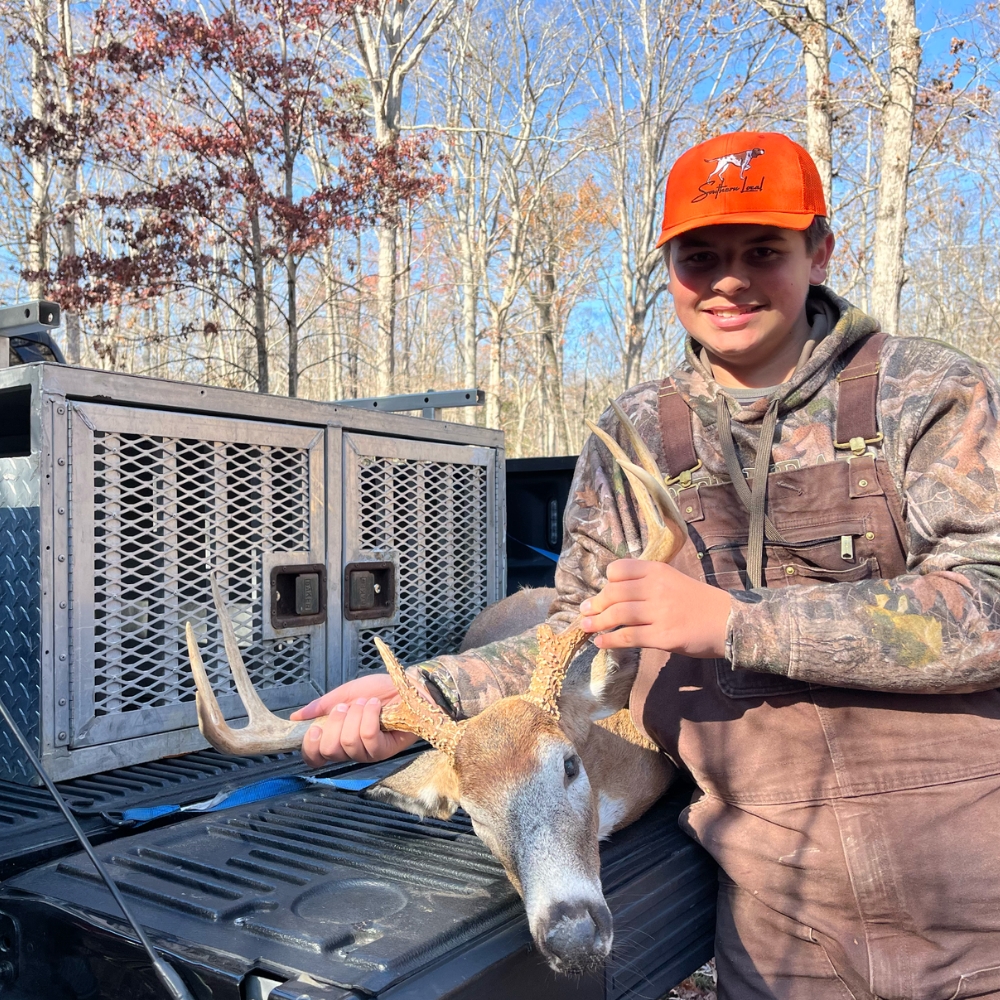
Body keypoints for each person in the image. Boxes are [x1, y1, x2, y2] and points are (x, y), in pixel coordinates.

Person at [291, 131, 1000, 999]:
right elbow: (572, 639)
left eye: (762, 251)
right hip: (780, 917)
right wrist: (430, 698)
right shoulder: (633, 432)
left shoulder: (926, 390)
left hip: (972, 888)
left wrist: (732, 623)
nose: (729, 279)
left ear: (819, 252)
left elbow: (989, 601)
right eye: (700, 257)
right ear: (670, 271)